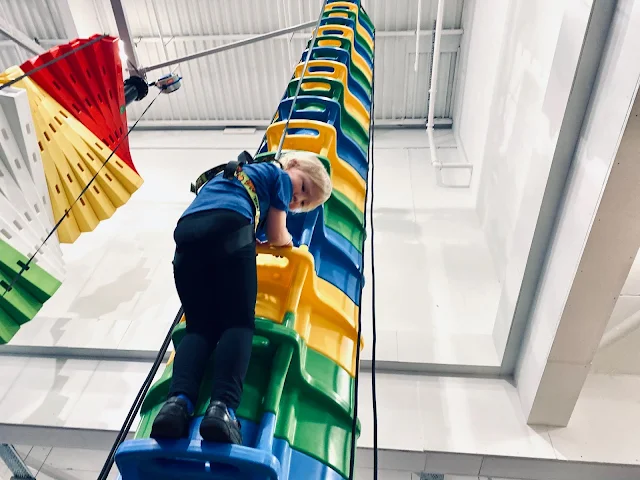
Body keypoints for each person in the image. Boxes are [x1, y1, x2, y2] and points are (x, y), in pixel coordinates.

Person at [150, 150, 332, 445]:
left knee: (199, 327)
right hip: (230, 229)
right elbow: (277, 234)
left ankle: (175, 406)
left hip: (186, 239)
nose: (295, 200)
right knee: (237, 323)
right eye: (302, 190)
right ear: (293, 164)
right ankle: (222, 409)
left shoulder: (235, 175)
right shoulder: (278, 175)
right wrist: (287, 242)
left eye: (302, 204)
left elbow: (231, 209)